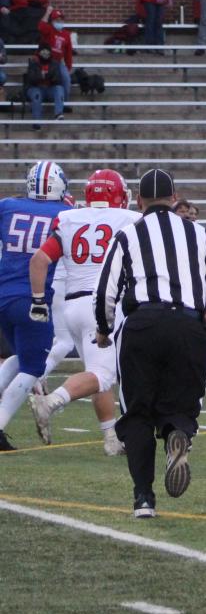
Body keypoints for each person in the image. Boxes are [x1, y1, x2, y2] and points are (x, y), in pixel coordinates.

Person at [94, 168, 206, 515]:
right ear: (174, 200)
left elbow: (106, 290)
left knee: (139, 413)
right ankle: (177, 435)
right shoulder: (200, 234)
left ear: (140, 201)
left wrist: (103, 328)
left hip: (142, 325)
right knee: (181, 407)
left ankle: (143, 497)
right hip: (189, 326)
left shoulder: (129, 234)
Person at [26, 169, 139, 454]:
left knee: (97, 371)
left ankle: (111, 438)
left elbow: (39, 260)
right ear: (118, 194)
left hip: (72, 305)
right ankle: (50, 402)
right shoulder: (130, 220)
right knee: (102, 374)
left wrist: (38, 300)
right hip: (104, 305)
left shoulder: (69, 218)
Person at [0, 161, 71, 452]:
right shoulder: (66, 214)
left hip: (3, 294)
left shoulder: (7, 206)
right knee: (33, 365)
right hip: (33, 296)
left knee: (19, 357)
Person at [37, 7, 73, 111]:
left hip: (58, 62)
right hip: (45, 61)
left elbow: (68, 53)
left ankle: (65, 102)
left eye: (61, 20)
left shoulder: (66, 35)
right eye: (57, 20)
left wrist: (68, 67)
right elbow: (40, 26)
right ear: (52, 21)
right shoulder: (48, 29)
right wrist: (47, 12)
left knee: (66, 78)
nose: (59, 22)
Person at [23, 43, 66, 124]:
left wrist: (45, 75)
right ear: (39, 52)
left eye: (47, 51)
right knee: (36, 94)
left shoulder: (55, 63)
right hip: (35, 88)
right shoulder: (33, 63)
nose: (45, 53)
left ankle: (58, 113)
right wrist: (42, 76)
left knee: (59, 88)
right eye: (43, 50)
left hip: (49, 89)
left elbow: (57, 79)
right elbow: (31, 79)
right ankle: (37, 122)